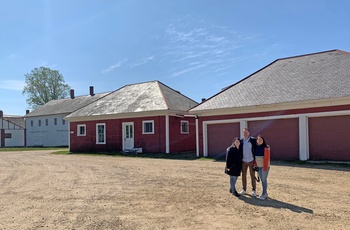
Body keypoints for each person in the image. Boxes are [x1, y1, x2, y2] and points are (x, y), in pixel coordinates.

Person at [239, 128, 257, 196]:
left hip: (251, 160)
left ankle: (254, 190)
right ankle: (244, 189)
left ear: (249, 133)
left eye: (246, 132)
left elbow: (258, 145)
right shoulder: (241, 141)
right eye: (244, 132)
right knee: (243, 175)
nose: (245, 134)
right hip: (243, 161)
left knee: (252, 175)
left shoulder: (253, 140)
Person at [254, 134, 271, 200]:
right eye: (258, 140)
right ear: (257, 141)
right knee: (262, 180)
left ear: (263, 140)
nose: (259, 141)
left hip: (265, 166)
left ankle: (264, 194)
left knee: (264, 180)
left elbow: (267, 158)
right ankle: (265, 193)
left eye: (261, 140)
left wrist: (265, 167)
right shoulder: (255, 147)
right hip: (259, 166)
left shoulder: (266, 147)